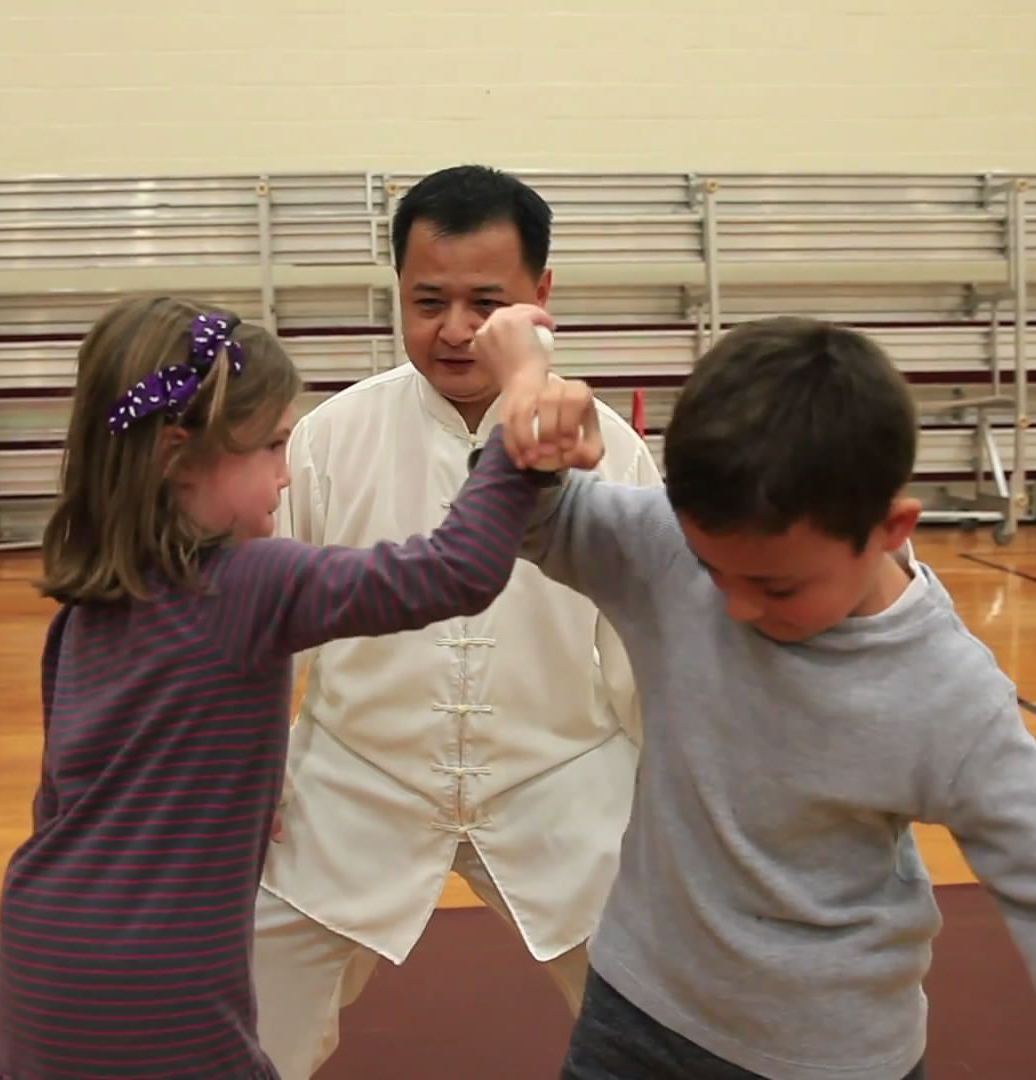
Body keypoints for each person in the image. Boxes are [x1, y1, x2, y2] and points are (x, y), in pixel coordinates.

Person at [475, 307, 1036, 1080]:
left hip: (830, 1059)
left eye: (775, 586)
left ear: (890, 528)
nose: (737, 606)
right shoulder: (669, 553)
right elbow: (534, 522)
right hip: (634, 1016)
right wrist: (528, 423)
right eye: (715, 570)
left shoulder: (947, 693)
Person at [0, 296, 595, 1079]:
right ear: (176, 455)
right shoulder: (246, 584)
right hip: (156, 983)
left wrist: (243, 781)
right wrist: (520, 402)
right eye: (272, 445)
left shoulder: (86, 605)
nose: (286, 471)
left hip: (38, 958)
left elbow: (64, 795)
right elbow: (456, 570)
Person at [252, 165, 660, 1078]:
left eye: (487, 301)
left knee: (660, 1020)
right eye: (427, 300)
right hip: (355, 777)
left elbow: (647, 642)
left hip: (564, 777)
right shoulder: (330, 436)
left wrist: (672, 794)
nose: (454, 329)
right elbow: (261, 618)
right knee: (246, 1012)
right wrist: (254, 767)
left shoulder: (609, 448)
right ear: (396, 289)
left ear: (541, 296)